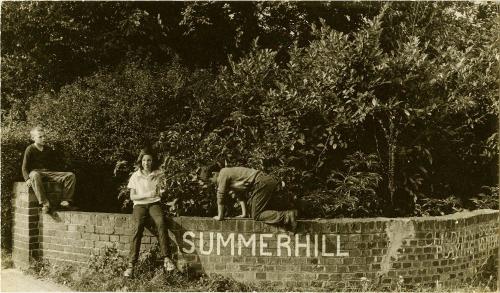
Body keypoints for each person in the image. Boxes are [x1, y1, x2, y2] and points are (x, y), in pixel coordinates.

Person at [123, 149, 176, 278]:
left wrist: (162, 191)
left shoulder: (158, 174)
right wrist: (148, 194)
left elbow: (162, 190)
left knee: (161, 222)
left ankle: (167, 259)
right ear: (141, 161)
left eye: (149, 160)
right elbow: (132, 196)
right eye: (144, 160)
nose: (146, 163)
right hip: (139, 205)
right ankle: (131, 264)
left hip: (154, 204)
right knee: (137, 226)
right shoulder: (135, 175)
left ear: (153, 162)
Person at [199, 164, 298, 231]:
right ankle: (288, 212)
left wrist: (220, 216)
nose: (212, 183)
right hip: (265, 181)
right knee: (256, 211)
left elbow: (220, 196)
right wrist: (244, 213)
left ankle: (287, 215)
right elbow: (239, 195)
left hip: (261, 182)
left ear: (214, 174)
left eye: (210, 180)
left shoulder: (223, 173)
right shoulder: (231, 175)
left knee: (257, 214)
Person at [22, 126, 76, 214]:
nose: (44, 139)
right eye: (40, 137)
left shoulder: (48, 149)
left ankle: (65, 200)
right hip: (35, 172)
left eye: (44, 136)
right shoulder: (30, 149)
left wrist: (57, 175)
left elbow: (53, 165)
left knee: (70, 175)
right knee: (35, 175)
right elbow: (24, 167)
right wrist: (27, 179)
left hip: (47, 172)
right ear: (33, 138)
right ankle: (45, 204)